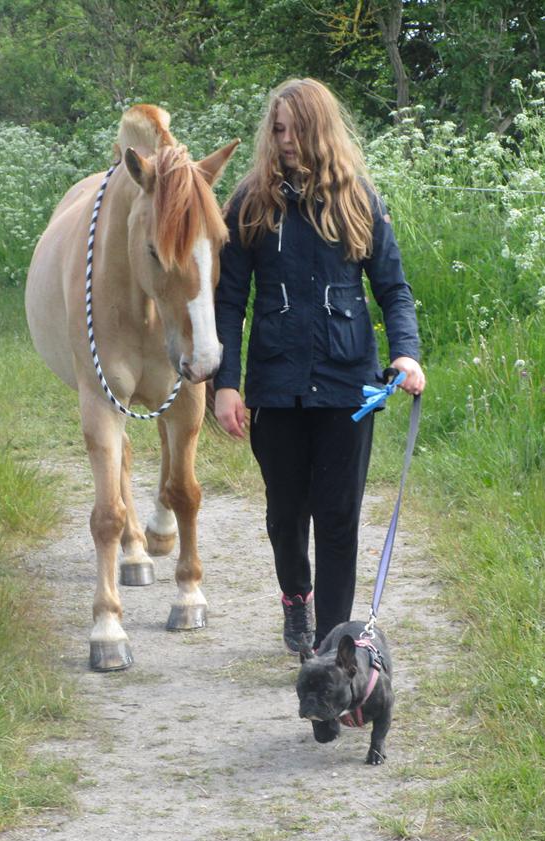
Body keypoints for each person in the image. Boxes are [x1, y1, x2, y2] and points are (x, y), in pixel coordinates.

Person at [213, 78, 425, 655]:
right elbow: (229, 302)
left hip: (347, 387)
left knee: (338, 520)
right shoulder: (250, 202)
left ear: (317, 129)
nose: (282, 140)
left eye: (293, 129)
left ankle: (333, 644)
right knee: (286, 516)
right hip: (276, 389)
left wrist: (406, 353)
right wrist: (225, 384)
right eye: (276, 129)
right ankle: (295, 598)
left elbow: (395, 291)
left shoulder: (360, 200)